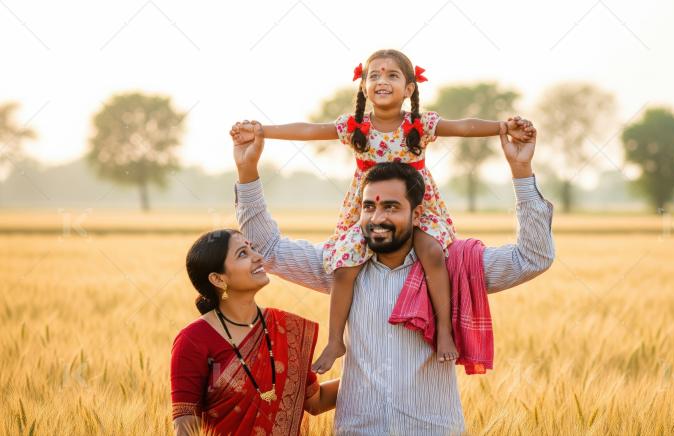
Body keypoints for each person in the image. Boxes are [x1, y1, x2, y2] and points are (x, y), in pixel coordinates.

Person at [230, 115, 554, 434]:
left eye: (391, 207)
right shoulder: (341, 266)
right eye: (369, 207)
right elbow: (267, 249)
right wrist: (247, 170)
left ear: (416, 214)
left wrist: (521, 172)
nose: (377, 217)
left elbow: (533, 257)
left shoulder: (454, 267)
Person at [230, 48, 535, 372]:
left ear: (409, 89)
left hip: (419, 206)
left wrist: (502, 126)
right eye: (374, 75)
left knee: (431, 251)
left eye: (392, 75)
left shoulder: (420, 124)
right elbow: (309, 130)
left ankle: (445, 330)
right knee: (343, 264)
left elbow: (465, 126)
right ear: (363, 87)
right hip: (368, 210)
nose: (382, 81)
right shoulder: (355, 127)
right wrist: (263, 131)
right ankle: (336, 339)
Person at [170, 229, 338, 436]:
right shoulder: (193, 340)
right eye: (243, 254)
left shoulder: (285, 327)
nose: (258, 257)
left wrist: (373, 377)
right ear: (218, 278)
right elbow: (186, 427)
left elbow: (316, 401)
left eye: (253, 249)